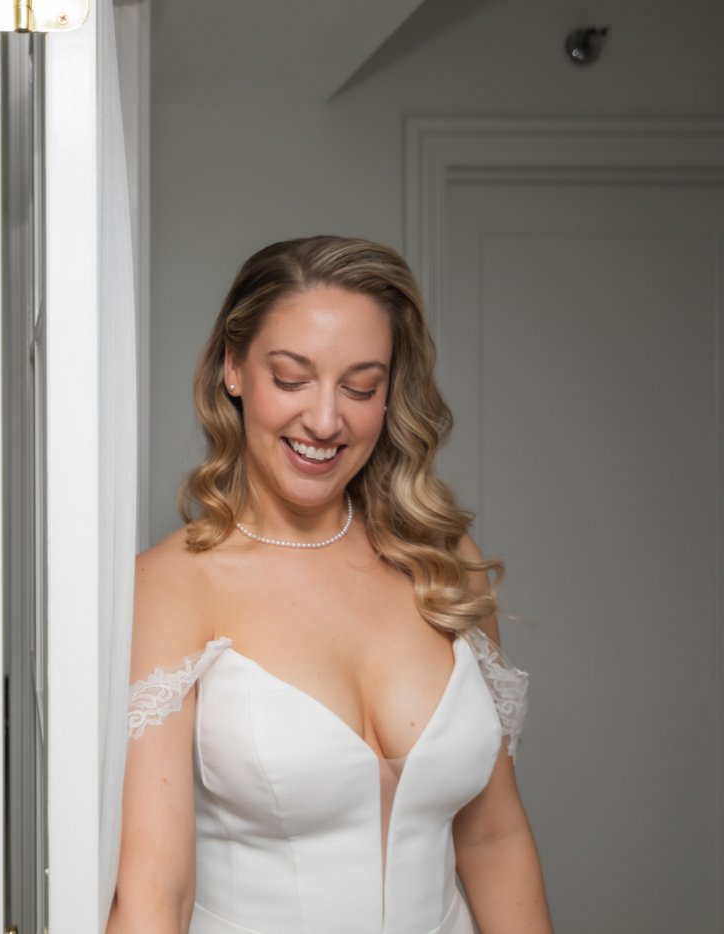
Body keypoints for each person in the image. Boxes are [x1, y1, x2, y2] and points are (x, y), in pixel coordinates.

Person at [109, 236, 551, 933]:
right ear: (233, 367)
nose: (323, 420)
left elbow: (494, 839)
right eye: (291, 379)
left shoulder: (445, 563)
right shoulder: (171, 586)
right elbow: (154, 893)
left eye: (360, 387)